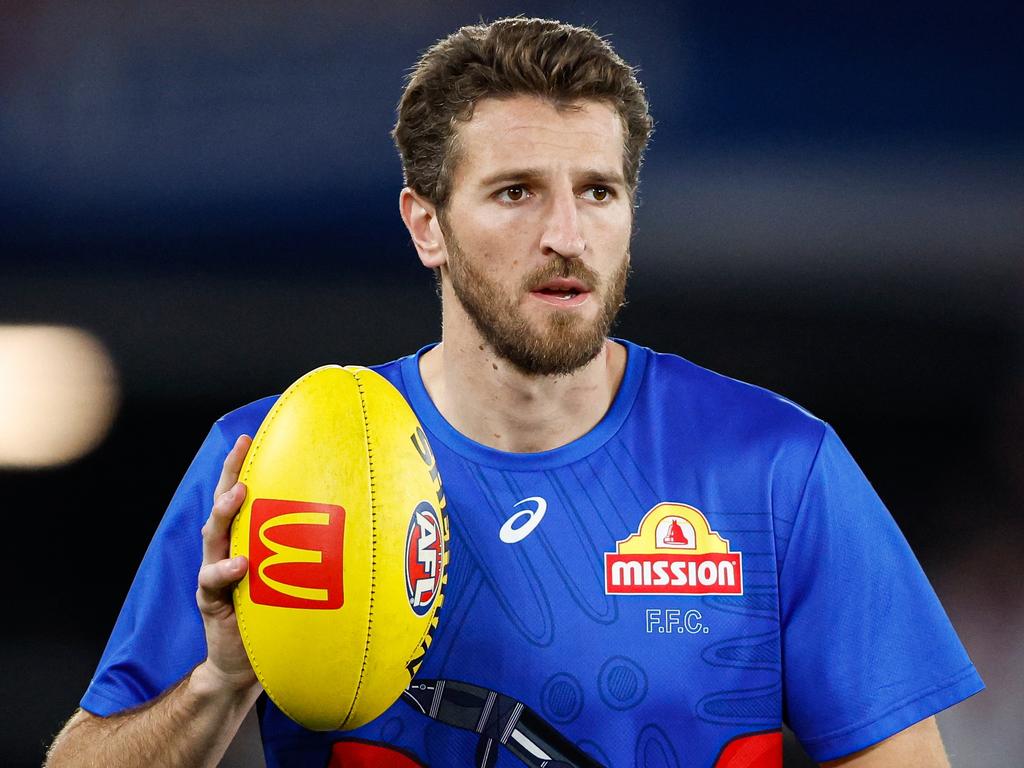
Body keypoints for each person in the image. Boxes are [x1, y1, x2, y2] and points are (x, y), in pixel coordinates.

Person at [46, 17, 983, 768]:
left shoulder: (777, 467)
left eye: (598, 192)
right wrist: (220, 680)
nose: (566, 233)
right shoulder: (276, 461)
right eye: (516, 193)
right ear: (427, 225)